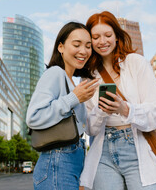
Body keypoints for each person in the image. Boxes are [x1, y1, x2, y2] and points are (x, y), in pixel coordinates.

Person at [79, 11, 156, 190]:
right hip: (102, 152)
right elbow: (89, 129)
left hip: (136, 147)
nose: (102, 41)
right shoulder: (87, 77)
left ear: (117, 36)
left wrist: (124, 108)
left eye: (108, 35)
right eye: (95, 37)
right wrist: (101, 110)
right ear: (90, 41)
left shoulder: (136, 62)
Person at [26, 22, 99, 190]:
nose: (84, 51)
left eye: (88, 46)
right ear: (61, 47)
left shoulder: (72, 82)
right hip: (57, 160)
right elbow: (33, 116)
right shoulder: (55, 73)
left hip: (72, 159)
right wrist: (74, 98)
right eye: (77, 44)